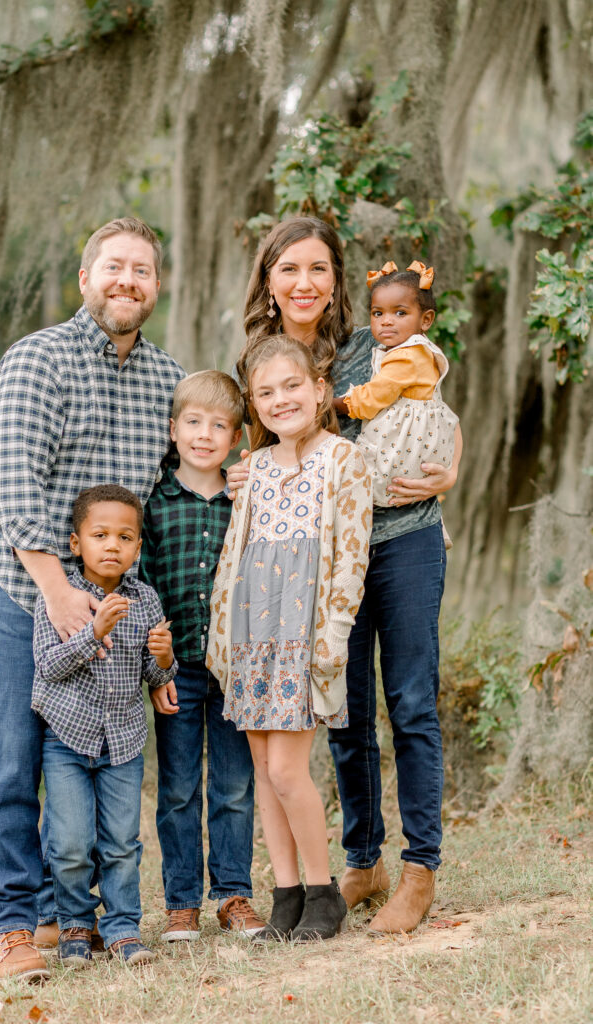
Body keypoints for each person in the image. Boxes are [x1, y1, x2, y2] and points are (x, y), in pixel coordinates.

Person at [229, 216, 463, 936]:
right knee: (343, 709)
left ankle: (418, 868)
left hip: (402, 541)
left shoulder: (376, 346)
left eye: (318, 269)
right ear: (268, 280)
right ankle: (361, 863)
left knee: (410, 701)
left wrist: (452, 468)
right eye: (289, 268)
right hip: (317, 565)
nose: (304, 283)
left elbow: (436, 409)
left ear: (335, 282)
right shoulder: (258, 365)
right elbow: (247, 459)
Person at [0, 217, 185, 980]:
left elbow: (188, 466)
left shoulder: (166, 379)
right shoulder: (37, 360)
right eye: (114, 267)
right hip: (23, 593)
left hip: (117, 608)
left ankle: (84, 919)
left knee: (98, 761)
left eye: (143, 271)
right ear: (86, 275)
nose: (128, 281)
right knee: (9, 766)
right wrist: (58, 591)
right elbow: (15, 486)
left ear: (156, 285)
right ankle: (12, 927)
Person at [208, 335, 372, 942]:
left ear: (320, 389)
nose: (281, 400)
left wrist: (333, 634)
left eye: (292, 386)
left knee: (286, 768)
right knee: (260, 764)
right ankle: (286, 895)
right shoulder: (251, 470)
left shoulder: (342, 461)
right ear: (254, 404)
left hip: (303, 633)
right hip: (252, 628)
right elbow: (237, 556)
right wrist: (223, 635)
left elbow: (351, 557)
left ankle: (325, 893)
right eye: (266, 392)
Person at [139, 371, 266, 941]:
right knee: (179, 787)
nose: (204, 434)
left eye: (218, 425)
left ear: (237, 437)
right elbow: (142, 590)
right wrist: (157, 669)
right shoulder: (155, 503)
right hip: (180, 671)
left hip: (236, 668)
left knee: (235, 786)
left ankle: (234, 894)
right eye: (193, 422)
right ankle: (181, 901)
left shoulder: (248, 499)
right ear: (173, 430)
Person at [32, 485, 176, 968]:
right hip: (67, 740)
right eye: (100, 535)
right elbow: (49, 666)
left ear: (138, 546)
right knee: (70, 841)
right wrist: (95, 632)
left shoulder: (146, 599)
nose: (112, 545)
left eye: (125, 537)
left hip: (124, 742)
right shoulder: (59, 600)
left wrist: (164, 657)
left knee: (121, 842)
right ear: (77, 544)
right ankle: (75, 924)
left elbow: (155, 676)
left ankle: (122, 929)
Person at [345, 260, 459, 508]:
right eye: (378, 313)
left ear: (426, 320)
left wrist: (332, 403)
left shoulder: (407, 356)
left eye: (400, 313)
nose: (386, 321)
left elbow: (370, 400)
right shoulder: (412, 351)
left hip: (400, 449)